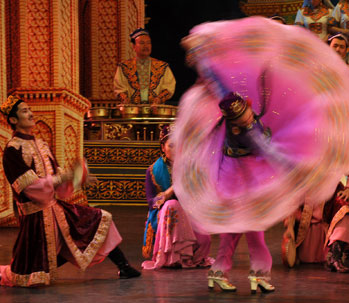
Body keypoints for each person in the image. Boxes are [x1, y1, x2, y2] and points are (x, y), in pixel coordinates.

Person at [0, 96, 141, 287]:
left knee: (99, 219)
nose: (31, 114)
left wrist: (78, 179)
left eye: (29, 109)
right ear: (13, 120)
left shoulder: (41, 144)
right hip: (36, 218)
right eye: (24, 111)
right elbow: (29, 188)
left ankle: (124, 266)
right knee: (29, 273)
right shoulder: (12, 150)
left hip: (55, 209)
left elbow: (57, 179)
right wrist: (66, 176)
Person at [207, 92, 274, 294]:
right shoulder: (247, 132)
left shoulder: (232, 122)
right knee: (254, 227)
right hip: (243, 178)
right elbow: (265, 150)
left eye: (246, 112)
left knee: (233, 228)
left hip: (233, 174)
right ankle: (259, 274)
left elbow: (222, 86)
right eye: (241, 117)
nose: (247, 117)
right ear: (233, 122)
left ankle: (218, 272)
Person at [141, 125, 213, 269]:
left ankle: (187, 257)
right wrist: (172, 190)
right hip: (166, 218)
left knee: (204, 240)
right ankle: (170, 257)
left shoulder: (193, 169)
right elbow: (152, 203)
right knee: (172, 205)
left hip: (190, 213)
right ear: (163, 147)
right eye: (171, 145)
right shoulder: (153, 171)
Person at [282, 172, 349, 273]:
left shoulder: (337, 156)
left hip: (331, 194)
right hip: (306, 199)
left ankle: (335, 254)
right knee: (306, 259)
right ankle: (344, 248)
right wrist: (289, 226)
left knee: (342, 207)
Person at [114, 28, 176, 105]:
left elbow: (169, 87)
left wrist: (158, 100)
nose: (146, 46)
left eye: (148, 43)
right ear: (134, 46)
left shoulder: (162, 66)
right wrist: (125, 100)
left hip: (155, 110)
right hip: (132, 111)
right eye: (142, 43)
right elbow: (120, 88)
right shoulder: (124, 67)